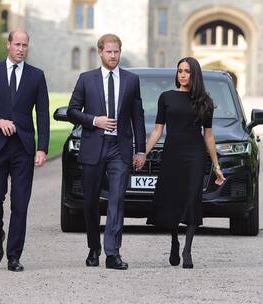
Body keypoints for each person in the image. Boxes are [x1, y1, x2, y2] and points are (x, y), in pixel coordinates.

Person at [0, 30, 49, 272]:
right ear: (8, 45)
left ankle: (14, 256)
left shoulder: (36, 76)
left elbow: (43, 114)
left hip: (23, 148)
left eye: (25, 45)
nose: (21, 49)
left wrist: (42, 148)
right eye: (17, 44)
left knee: (20, 204)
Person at [67, 34, 146, 270]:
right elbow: (72, 111)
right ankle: (94, 247)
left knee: (117, 200)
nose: (113, 56)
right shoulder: (86, 79)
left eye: (117, 52)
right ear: (100, 52)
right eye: (109, 52)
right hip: (93, 146)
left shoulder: (131, 80)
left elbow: (137, 117)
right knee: (90, 201)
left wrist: (140, 150)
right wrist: (94, 120)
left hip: (119, 149)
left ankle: (113, 253)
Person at [145, 57, 225, 268]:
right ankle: (174, 241)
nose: (182, 74)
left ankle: (187, 250)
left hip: (195, 154)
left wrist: (217, 166)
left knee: (192, 198)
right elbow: (157, 130)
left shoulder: (205, 101)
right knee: (173, 198)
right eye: (180, 70)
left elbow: (208, 135)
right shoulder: (166, 97)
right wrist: (143, 153)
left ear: (194, 74)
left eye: (187, 71)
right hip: (173, 153)